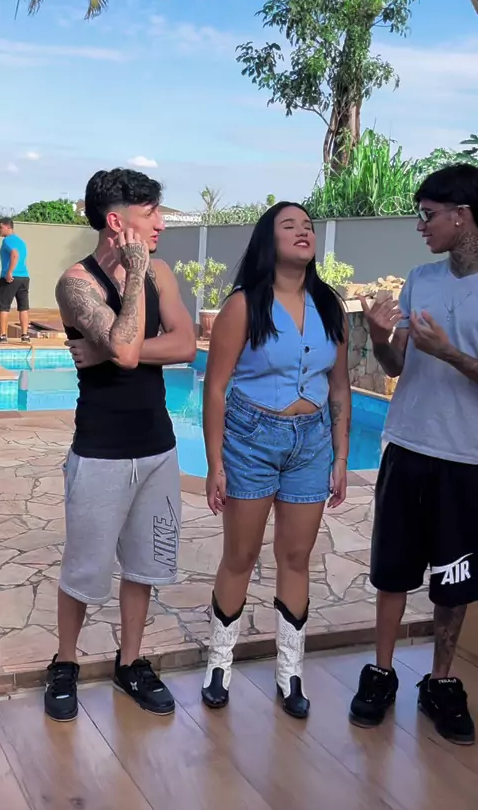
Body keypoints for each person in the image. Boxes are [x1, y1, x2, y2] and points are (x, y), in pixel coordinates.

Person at [46, 168, 196, 722]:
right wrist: (123, 333)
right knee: (84, 570)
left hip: (157, 445)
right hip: (100, 450)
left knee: (144, 566)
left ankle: (130, 662)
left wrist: (108, 348)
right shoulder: (75, 285)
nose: (161, 224)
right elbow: (129, 352)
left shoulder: (162, 272)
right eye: (151, 213)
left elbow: (186, 345)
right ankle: (65, 662)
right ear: (116, 221)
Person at [201, 202, 350, 718]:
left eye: (308, 226)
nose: (303, 232)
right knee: (240, 555)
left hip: (312, 443)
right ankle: (219, 664)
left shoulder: (330, 306)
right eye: (290, 226)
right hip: (252, 439)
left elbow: (339, 386)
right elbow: (215, 388)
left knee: (296, 557)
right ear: (270, 240)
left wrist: (341, 453)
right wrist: (215, 462)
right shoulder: (244, 305)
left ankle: (290, 673)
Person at [350, 164, 478, 746]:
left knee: (454, 579)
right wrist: (381, 338)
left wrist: (450, 353)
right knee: (393, 569)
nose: (421, 226)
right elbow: (396, 364)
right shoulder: (421, 278)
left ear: (463, 214)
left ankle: (441, 682)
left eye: (428, 215)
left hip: (466, 458)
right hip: (407, 445)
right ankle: (381, 674)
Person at [0, 217, 30, 343]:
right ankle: (25, 335)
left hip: (10, 278)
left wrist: (9, 271)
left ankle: (2, 335)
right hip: (24, 277)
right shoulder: (21, 241)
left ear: (8, 227)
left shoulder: (7, 240)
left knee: (3, 307)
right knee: (23, 307)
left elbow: (15, 254)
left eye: (0, 227)